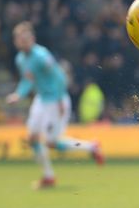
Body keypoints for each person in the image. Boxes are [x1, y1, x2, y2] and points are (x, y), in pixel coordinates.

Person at [6, 22, 104, 189]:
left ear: (32, 38)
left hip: (56, 100)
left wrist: (59, 99)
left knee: (52, 143)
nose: (24, 42)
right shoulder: (21, 59)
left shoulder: (41, 55)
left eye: (27, 39)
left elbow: (59, 76)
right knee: (33, 138)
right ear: (16, 41)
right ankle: (48, 176)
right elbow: (28, 80)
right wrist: (18, 94)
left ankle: (91, 147)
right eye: (21, 40)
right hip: (41, 99)